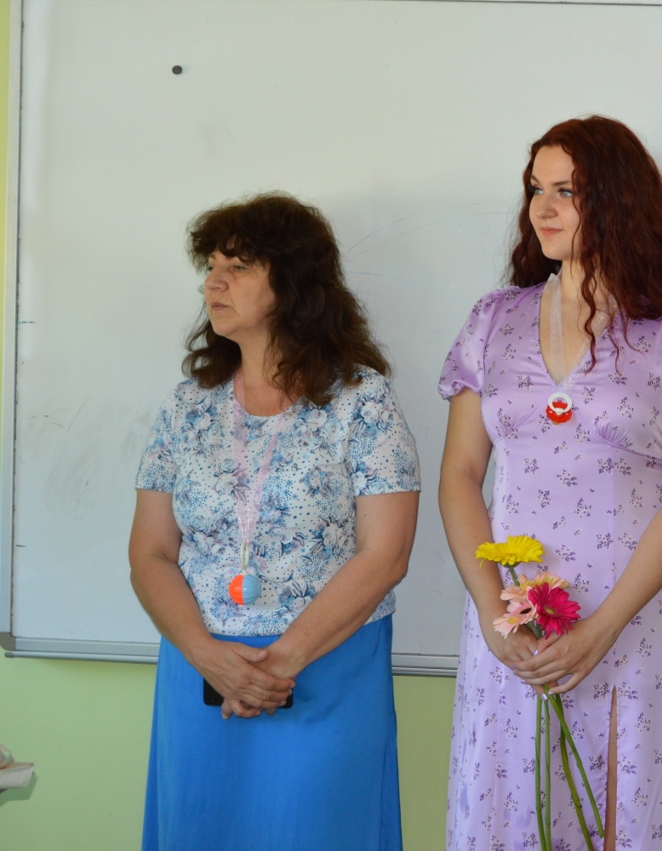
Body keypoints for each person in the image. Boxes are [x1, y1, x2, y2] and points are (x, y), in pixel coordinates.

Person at [437, 116, 662, 850]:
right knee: (511, 809)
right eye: (535, 189)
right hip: (513, 624)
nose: (542, 208)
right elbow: (461, 475)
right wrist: (493, 611)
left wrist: (601, 630)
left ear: (618, 199)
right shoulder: (493, 319)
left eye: (566, 191)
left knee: (624, 815)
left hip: (632, 621)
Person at [129, 193, 421, 850]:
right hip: (201, 676)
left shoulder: (363, 401)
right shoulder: (185, 407)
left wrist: (275, 666)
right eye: (210, 266)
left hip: (325, 673)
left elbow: (386, 553)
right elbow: (150, 553)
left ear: (293, 284)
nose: (214, 282)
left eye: (237, 266)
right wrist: (209, 657)